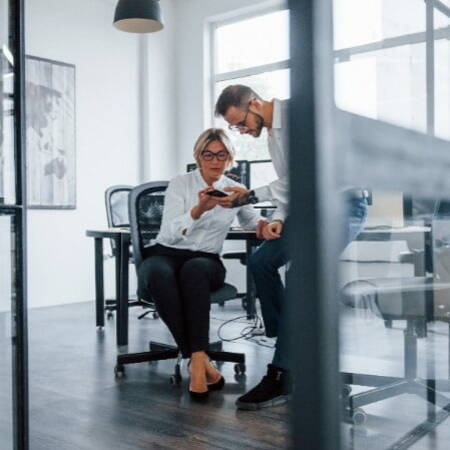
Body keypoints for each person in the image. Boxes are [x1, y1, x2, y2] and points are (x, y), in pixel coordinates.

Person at [215, 85, 368, 410]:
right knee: (261, 262)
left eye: (240, 123)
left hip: (343, 204)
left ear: (254, 104)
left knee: (301, 274)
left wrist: (246, 197)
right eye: (235, 127)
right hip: (308, 208)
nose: (241, 131)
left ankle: (282, 371)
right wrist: (280, 220)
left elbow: (306, 175)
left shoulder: (302, 113)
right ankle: (291, 341)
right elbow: (292, 184)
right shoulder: (272, 134)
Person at [137, 128, 266, 401]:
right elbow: (169, 233)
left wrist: (264, 222)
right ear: (198, 156)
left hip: (205, 260)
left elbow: (251, 222)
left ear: (230, 158)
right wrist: (198, 210)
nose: (215, 161)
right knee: (157, 272)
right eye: (208, 154)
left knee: (194, 269)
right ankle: (198, 360)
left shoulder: (235, 189)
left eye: (222, 155)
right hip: (166, 252)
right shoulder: (180, 183)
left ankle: (196, 361)